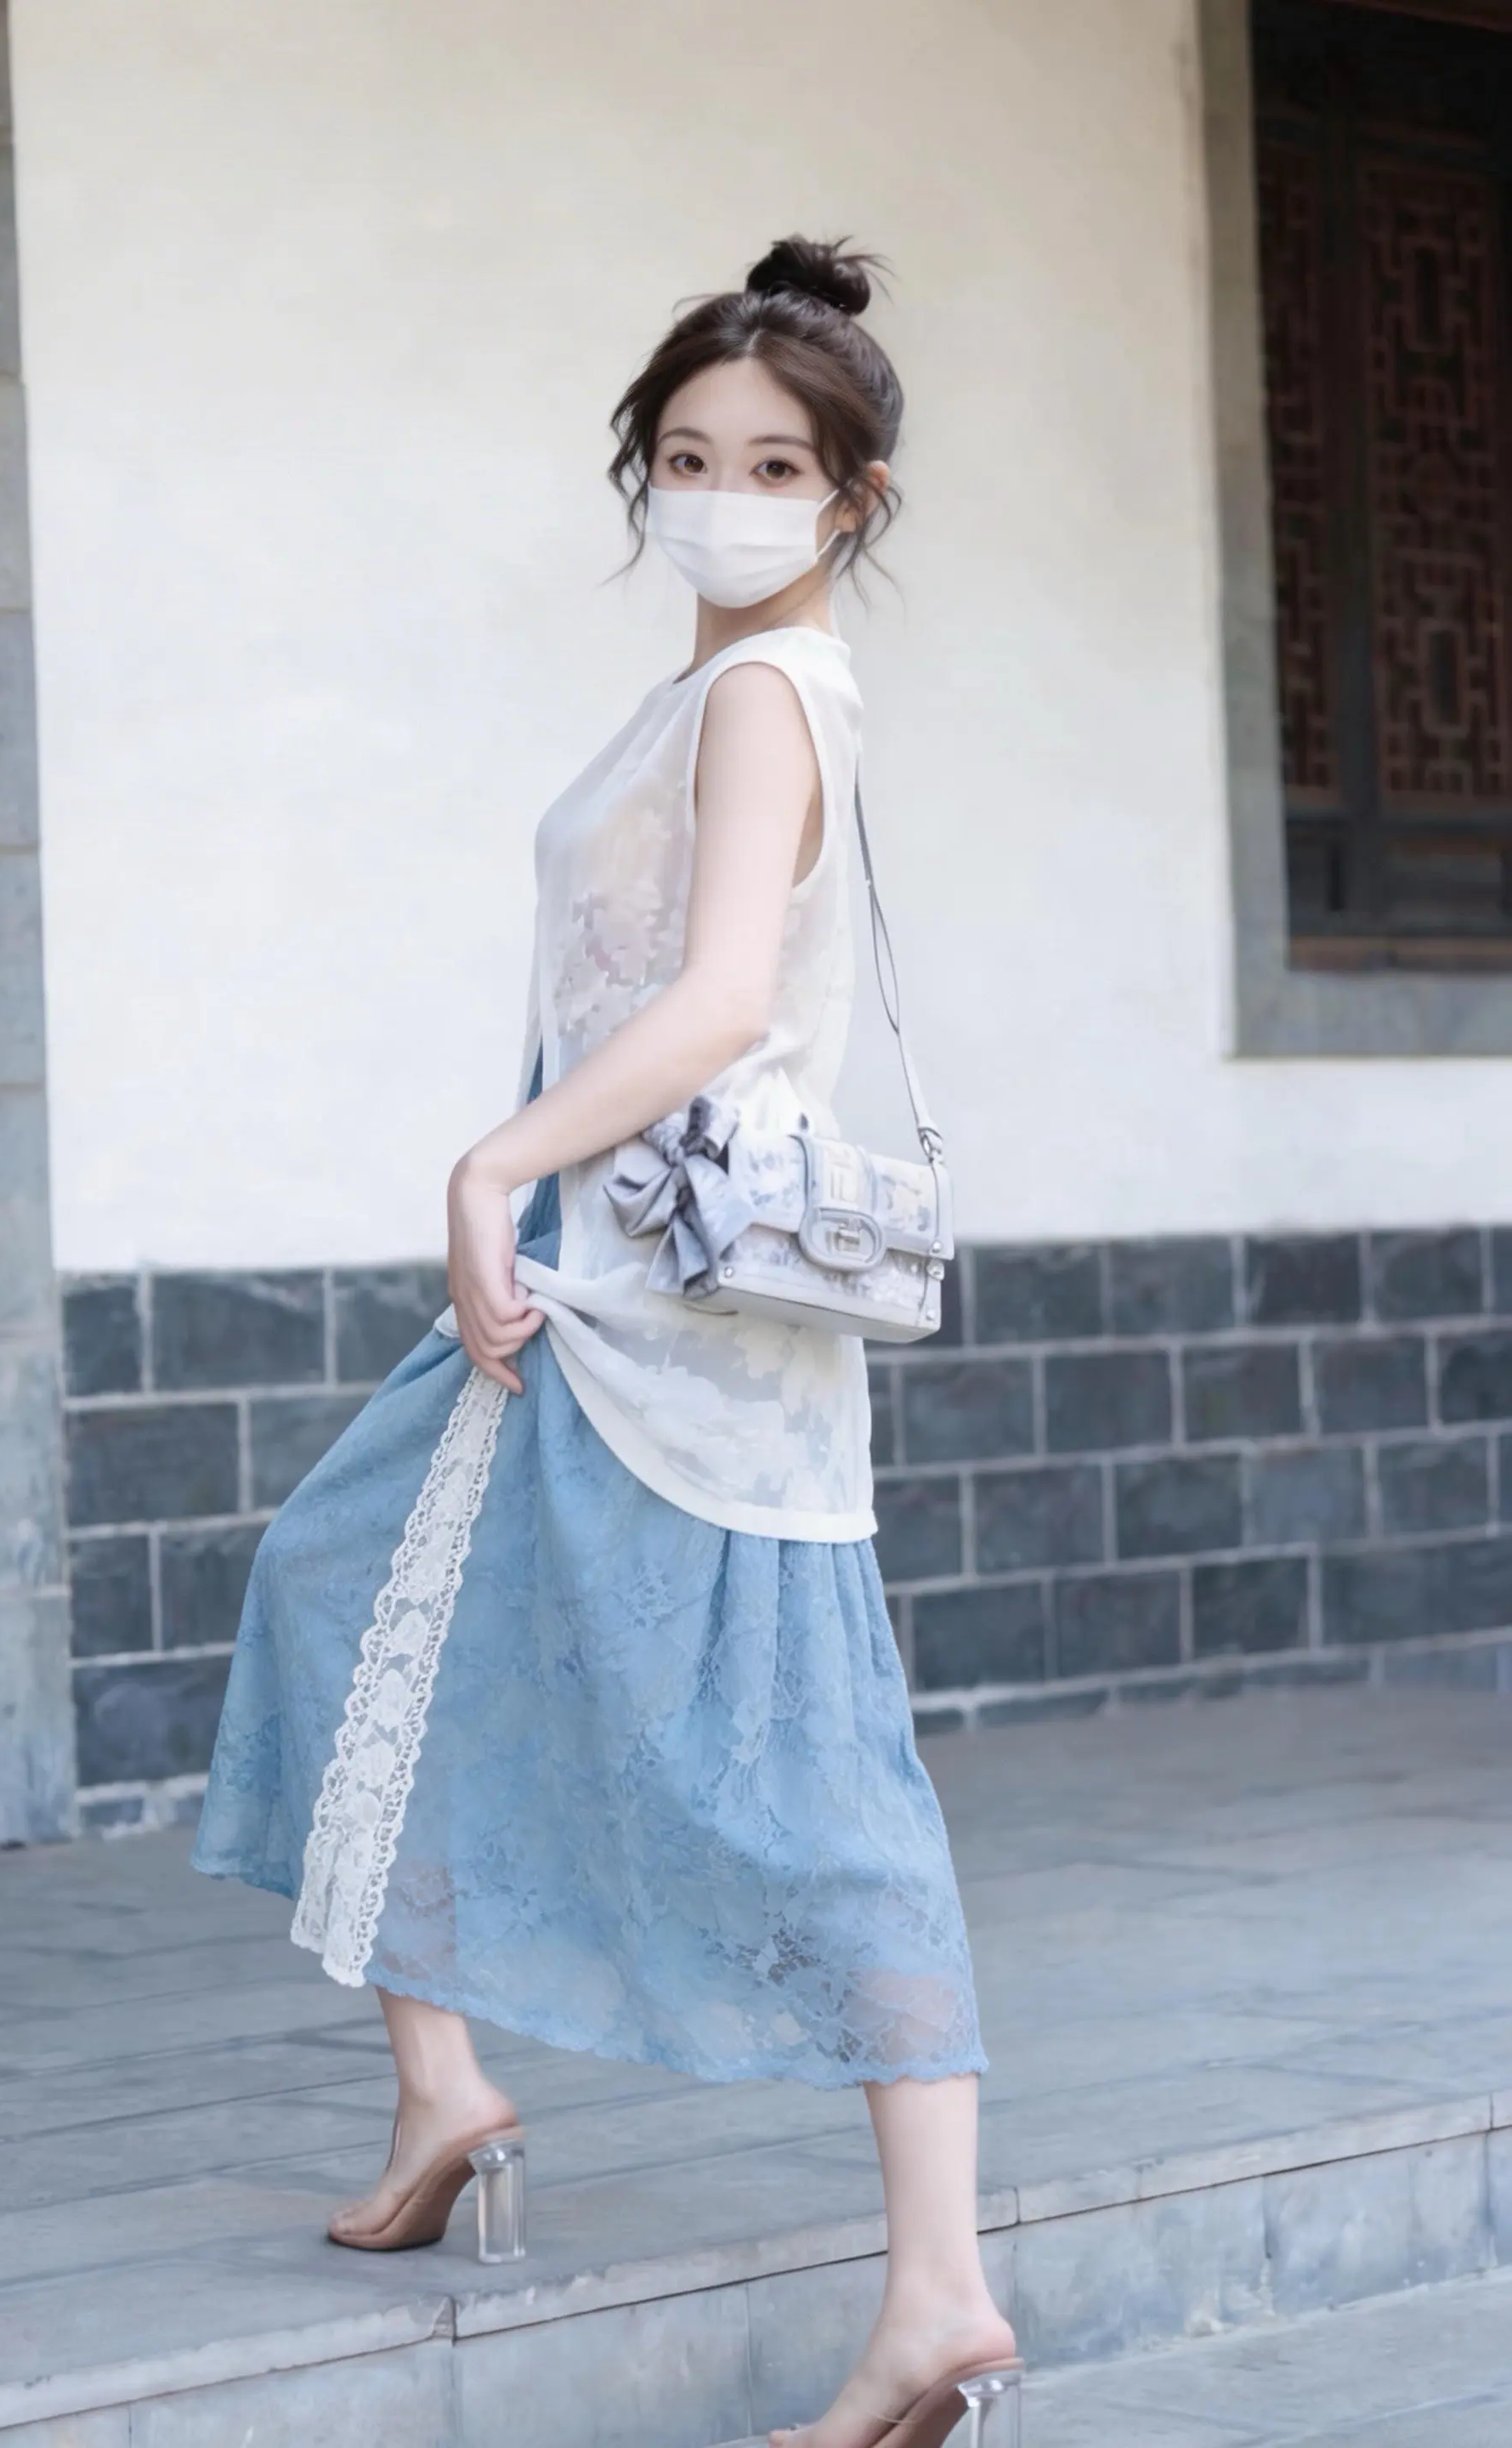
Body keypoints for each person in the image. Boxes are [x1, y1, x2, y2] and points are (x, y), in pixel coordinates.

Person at [192, 235, 1019, 2448]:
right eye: (687, 455)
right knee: (348, 1594)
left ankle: (938, 2288)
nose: (722, 495)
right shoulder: (713, 689)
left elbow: (726, 995)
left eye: (776, 465)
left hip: (663, 1300)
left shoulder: (769, 697)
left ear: (852, 498)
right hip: (601, 1274)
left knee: (803, 1776)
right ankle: (444, 2089)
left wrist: (492, 1163)